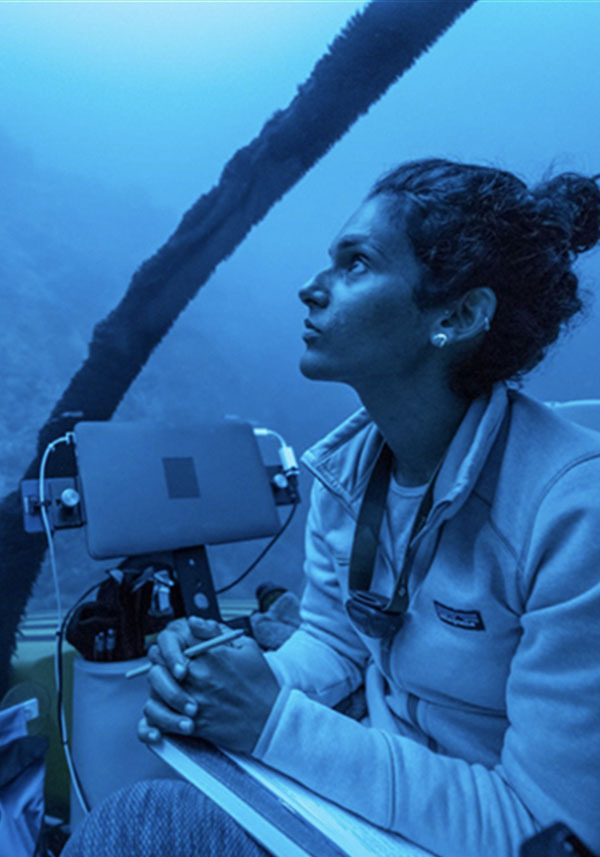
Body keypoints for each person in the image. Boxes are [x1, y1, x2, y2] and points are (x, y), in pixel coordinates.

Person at [62, 159, 600, 857]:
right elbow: (336, 639)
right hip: (375, 803)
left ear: (459, 315)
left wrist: (272, 721)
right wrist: (230, 677)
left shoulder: (571, 510)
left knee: (144, 827)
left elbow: (547, 833)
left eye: (356, 264)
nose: (310, 289)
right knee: (142, 816)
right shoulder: (348, 476)